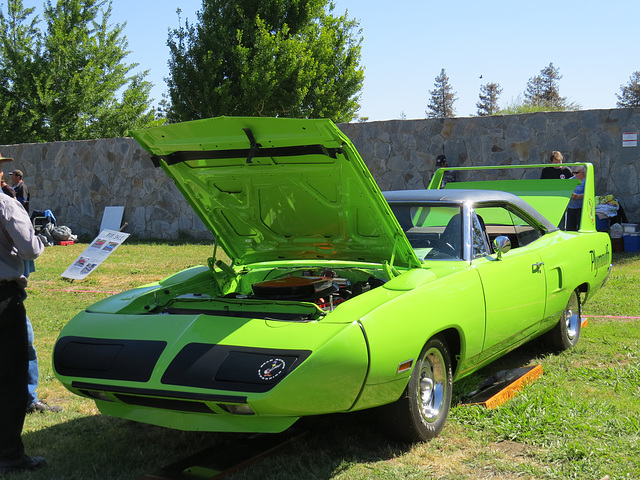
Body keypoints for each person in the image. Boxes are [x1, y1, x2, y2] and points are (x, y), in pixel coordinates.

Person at [0, 189, 46, 475]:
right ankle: (8, 456)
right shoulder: (6, 204)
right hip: (2, 300)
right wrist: (43, 239)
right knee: (9, 380)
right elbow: (29, 249)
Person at [566, 166, 586, 231]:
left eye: (577, 172)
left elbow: (588, 193)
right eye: (574, 173)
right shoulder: (571, 180)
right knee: (570, 229)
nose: (575, 175)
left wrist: (577, 196)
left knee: (581, 228)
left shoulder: (586, 181)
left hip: (581, 208)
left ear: (582, 171)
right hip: (571, 207)